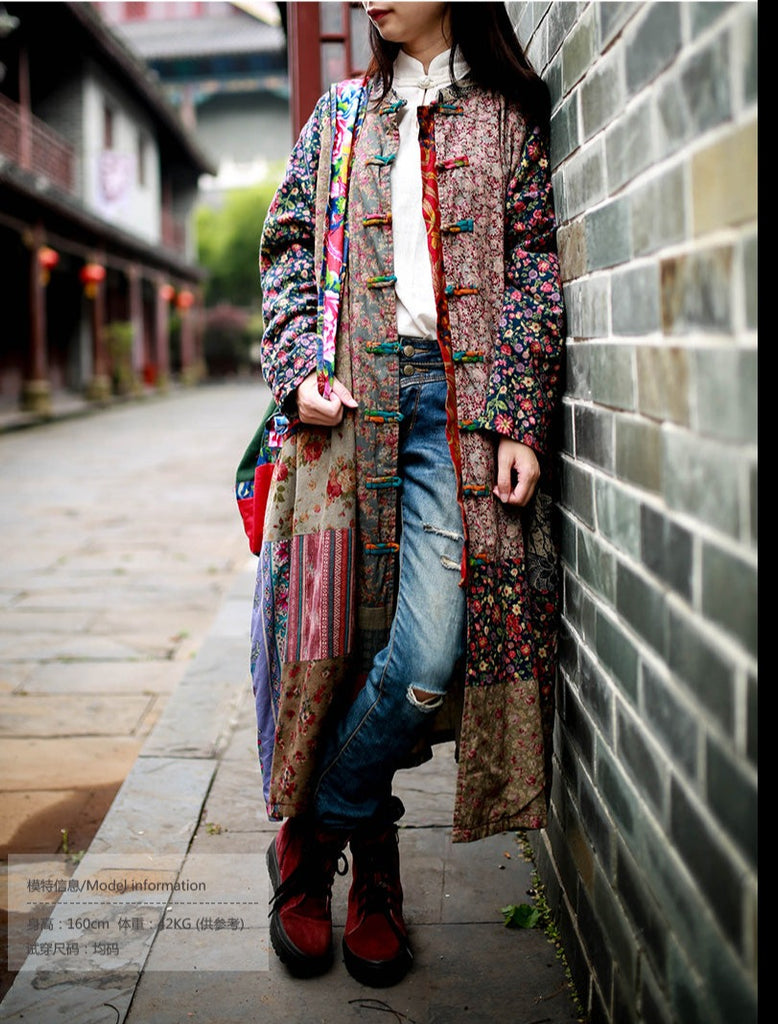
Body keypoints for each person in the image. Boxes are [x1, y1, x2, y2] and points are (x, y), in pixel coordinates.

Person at [252, 0, 565, 988]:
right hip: (348, 412)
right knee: (339, 641)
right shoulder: (339, 116)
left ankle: (318, 827)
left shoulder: (507, 119)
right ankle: (374, 866)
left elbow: (534, 268)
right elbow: (287, 247)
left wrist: (517, 415)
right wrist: (297, 367)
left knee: (427, 656)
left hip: (452, 416)